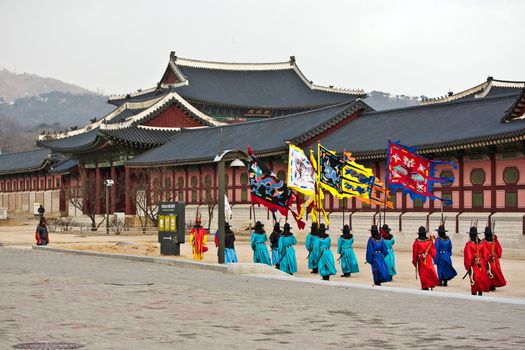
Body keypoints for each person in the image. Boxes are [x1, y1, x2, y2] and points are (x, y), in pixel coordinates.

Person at [464, 226, 491, 296]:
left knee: (474, 278)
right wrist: (485, 261)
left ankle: (474, 293)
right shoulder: (482, 243)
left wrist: (468, 265)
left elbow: (468, 256)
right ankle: (480, 292)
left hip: (474, 263)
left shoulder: (469, 244)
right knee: (481, 278)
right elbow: (486, 254)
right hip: (481, 263)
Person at [412, 226, 439, 291]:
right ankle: (430, 284)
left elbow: (415, 253)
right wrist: (432, 256)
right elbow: (433, 252)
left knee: (423, 273)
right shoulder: (429, 241)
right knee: (430, 271)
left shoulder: (416, 242)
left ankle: (425, 286)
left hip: (421, 259)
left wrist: (414, 261)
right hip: (428, 258)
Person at [482, 226, 506, 291]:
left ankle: (492, 285)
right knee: (489, 272)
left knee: (493, 272)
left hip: (493, 259)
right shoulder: (484, 242)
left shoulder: (493, 241)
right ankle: (490, 285)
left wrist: (493, 255)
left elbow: (498, 251)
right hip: (489, 259)